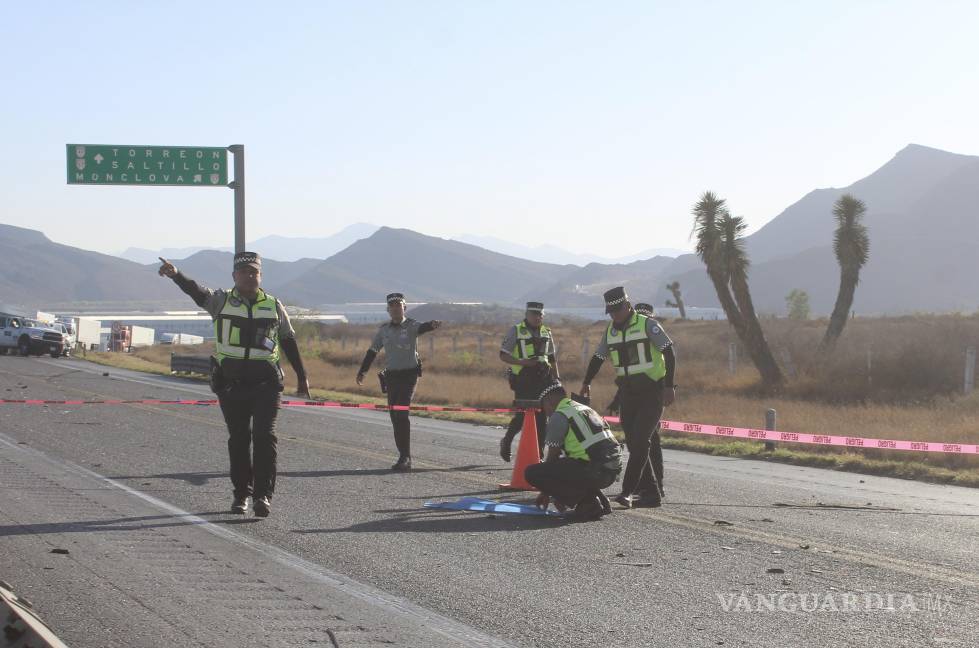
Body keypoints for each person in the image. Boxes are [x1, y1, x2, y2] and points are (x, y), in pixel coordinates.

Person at [158, 252, 309, 518]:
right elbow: (196, 292)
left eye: (254, 272)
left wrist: (302, 375)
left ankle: (263, 496)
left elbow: (288, 340)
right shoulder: (221, 301)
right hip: (232, 385)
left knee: (265, 437)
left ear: (260, 276)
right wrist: (176, 274)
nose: (250, 276)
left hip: (266, 384)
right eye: (245, 272)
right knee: (239, 440)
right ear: (234, 277)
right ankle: (241, 495)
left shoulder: (273, 305)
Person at [580, 287, 676, 508]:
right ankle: (651, 493)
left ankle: (627, 491)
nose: (614, 315)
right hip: (628, 394)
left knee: (642, 441)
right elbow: (598, 357)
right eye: (610, 312)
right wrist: (586, 381)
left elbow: (669, 352)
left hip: (652, 391)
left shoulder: (647, 324)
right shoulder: (610, 331)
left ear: (627, 305)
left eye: (616, 310)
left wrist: (669, 386)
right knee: (634, 443)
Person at [356, 293, 442, 471]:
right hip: (392, 377)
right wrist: (362, 371)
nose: (395, 308)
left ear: (405, 308)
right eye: (392, 306)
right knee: (395, 417)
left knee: (402, 414)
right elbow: (372, 351)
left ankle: (405, 458)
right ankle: (403, 454)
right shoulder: (384, 330)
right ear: (388, 310)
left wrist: (431, 325)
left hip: (409, 376)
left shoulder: (411, 325)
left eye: (399, 305)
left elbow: (422, 328)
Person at [525, 381, 622, 521]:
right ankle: (598, 499)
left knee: (532, 472)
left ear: (549, 399)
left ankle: (588, 504)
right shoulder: (582, 408)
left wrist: (552, 493)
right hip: (611, 470)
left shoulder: (559, 416)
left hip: (595, 470)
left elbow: (552, 459)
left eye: (543, 405)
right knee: (571, 465)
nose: (544, 411)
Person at [606, 302, 666, 497]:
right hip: (634, 398)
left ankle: (656, 486)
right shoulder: (632, 338)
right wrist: (617, 400)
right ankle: (649, 485)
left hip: (651, 398)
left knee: (649, 444)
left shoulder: (653, 335)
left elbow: (660, 370)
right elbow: (629, 375)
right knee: (643, 445)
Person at [498, 301, 558, 462]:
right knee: (522, 416)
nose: (537, 317)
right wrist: (524, 362)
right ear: (527, 315)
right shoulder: (516, 330)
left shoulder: (547, 332)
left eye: (540, 315)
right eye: (534, 314)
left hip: (544, 380)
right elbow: (503, 355)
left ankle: (538, 455)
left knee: (542, 419)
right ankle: (507, 441)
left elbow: (552, 358)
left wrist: (556, 379)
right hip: (523, 380)